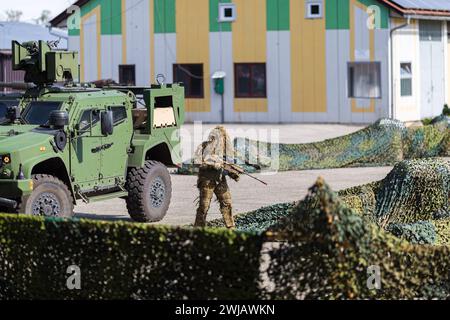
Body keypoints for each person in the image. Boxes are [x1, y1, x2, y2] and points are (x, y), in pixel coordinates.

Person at [193, 126, 241, 229]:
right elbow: (196, 162)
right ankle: (198, 228)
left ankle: (230, 227)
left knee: (227, 203)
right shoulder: (203, 146)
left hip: (220, 180)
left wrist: (233, 173)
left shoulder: (225, 151)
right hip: (206, 180)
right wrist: (211, 164)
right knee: (204, 206)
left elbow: (229, 165)